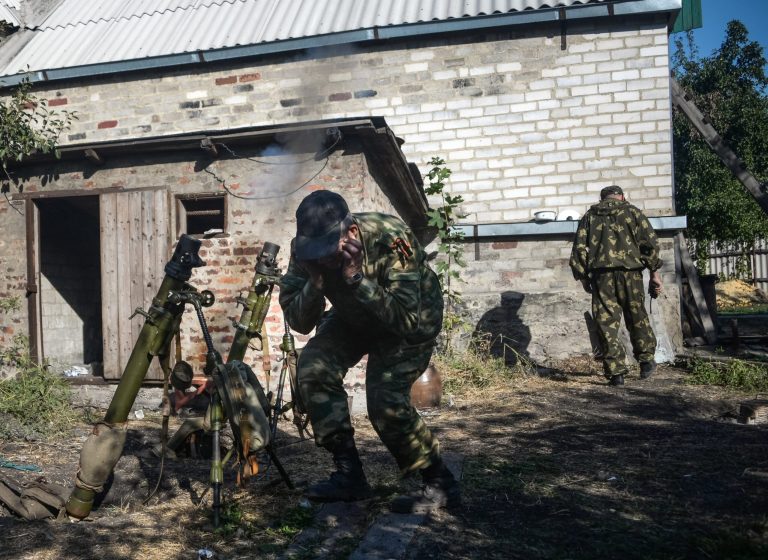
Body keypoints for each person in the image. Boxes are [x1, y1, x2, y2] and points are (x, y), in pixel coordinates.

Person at [278, 190, 460, 513]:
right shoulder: (306, 252)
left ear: (350, 233)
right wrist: (315, 284)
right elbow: (299, 321)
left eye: (327, 250)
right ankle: (350, 476)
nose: (323, 258)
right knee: (313, 366)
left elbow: (405, 319)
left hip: (412, 317)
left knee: (384, 399)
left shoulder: (390, 237)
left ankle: (439, 481)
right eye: (315, 252)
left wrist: (355, 277)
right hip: (353, 314)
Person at [569, 185, 663, 386]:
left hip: (602, 277)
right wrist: (655, 274)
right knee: (637, 316)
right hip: (631, 274)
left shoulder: (590, 216)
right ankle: (646, 362)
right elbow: (651, 244)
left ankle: (616, 374)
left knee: (606, 323)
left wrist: (584, 277)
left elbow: (579, 248)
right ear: (622, 196)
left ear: (602, 198)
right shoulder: (633, 212)